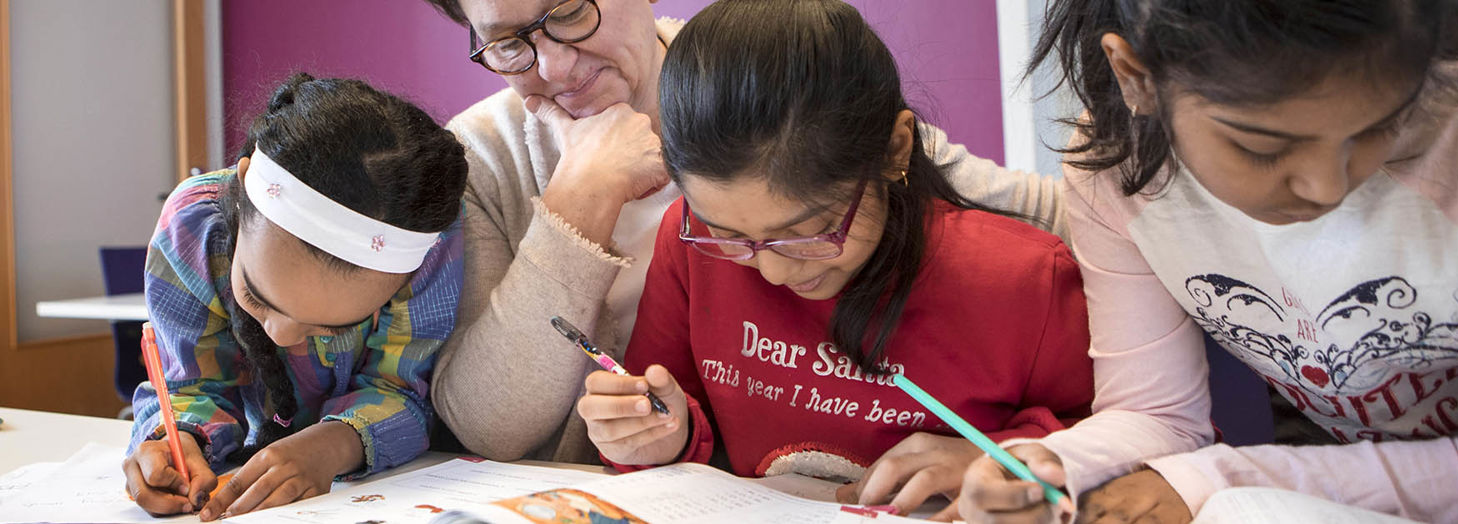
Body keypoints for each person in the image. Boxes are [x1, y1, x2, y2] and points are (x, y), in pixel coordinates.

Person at [423, 0, 1069, 465]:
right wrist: (579, 201)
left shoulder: (789, 86)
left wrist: (1012, 456)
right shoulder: (482, 156)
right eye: (508, 43)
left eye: (569, 11)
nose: (556, 66)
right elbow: (492, 427)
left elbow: (1042, 224)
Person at [956, 1, 1458, 522]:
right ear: (1134, 76)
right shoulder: (1118, 167)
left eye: (1378, 127)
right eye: (1263, 148)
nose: (1326, 187)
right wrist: (1052, 467)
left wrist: (1212, 477)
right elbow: (1156, 415)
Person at [575, 1, 1094, 519]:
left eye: (807, 233)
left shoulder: (1023, 281)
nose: (774, 271)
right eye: (730, 235)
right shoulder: (691, 242)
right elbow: (671, 417)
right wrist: (654, 435)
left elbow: (1119, 437)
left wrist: (1001, 456)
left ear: (895, 149)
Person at [122, 73, 469, 520]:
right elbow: (189, 384)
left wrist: (334, 446)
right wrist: (177, 439)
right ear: (243, 185)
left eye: (334, 327)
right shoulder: (194, 227)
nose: (280, 336)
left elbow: (402, 387)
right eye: (255, 296)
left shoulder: (429, 244)